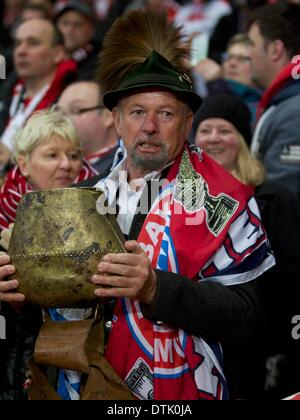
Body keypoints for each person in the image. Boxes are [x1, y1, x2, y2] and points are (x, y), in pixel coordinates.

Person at [0, 10, 275, 400]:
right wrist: (17, 298)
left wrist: (154, 288)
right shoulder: (82, 197)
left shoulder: (226, 202)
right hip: (81, 386)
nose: (149, 127)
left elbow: (252, 317)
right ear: (115, 120)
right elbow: (51, 310)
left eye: (165, 113)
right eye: (137, 112)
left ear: (187, 123)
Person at [192, 93, 300, 399]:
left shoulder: (274, 198)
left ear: (242, 139)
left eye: (225, 131)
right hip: (198, 341)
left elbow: (292, 277)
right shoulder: (174, 198)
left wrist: (284, 345)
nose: (214, 139)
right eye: (205, 130)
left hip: (259, 347)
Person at [0, 109, 96, 400]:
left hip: (78, 371)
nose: (67, 165)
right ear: (24, 164)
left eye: (74, 155)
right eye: (52, 155)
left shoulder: (100, 218)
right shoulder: (1, 224)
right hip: (14, 372)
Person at [0, 18, 77, 169]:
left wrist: (11, 161)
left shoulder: (70, 101)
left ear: (57, 53)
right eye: (18, 43)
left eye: (33, 43)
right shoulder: (7, 90)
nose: (21, 51)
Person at [248, 3, 300, 197]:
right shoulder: (288, 102)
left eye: (252, 44)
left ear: (275, 49)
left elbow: (282, 202)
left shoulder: (294, 112)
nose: (248, 54)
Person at [193, 34, 262, 125]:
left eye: (243, 59)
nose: (232, 63)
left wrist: (217, 85)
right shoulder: (209, 94)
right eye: (228, 57)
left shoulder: (261, 109)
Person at [56, 81, 119, 174]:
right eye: (58, 112)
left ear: (108, 116)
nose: (61, 119)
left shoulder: (121, 167)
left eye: (76, 110)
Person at [55, 1, 100, 80]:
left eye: (78, 24)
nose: (70, 30)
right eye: (65, 23)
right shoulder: (47, 56)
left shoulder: (101, 62)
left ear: (92, 30)